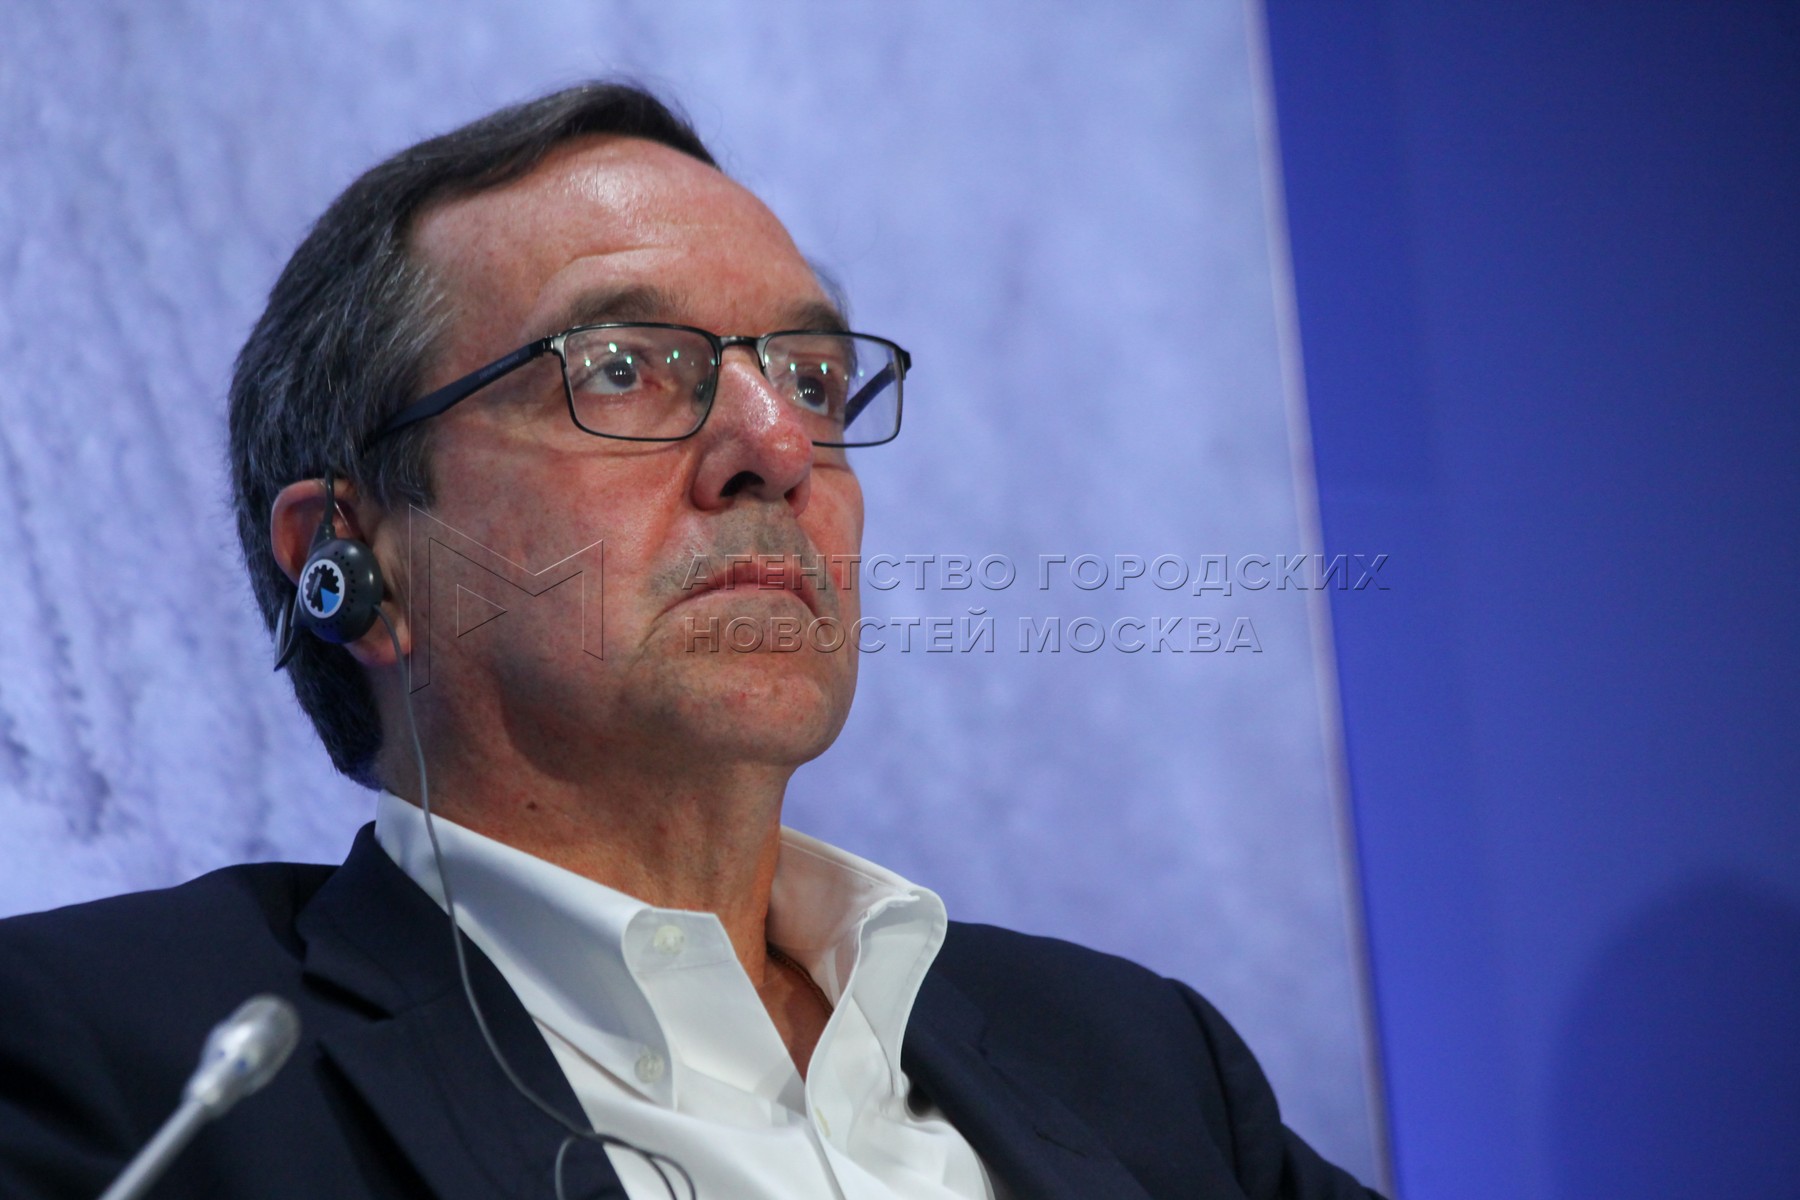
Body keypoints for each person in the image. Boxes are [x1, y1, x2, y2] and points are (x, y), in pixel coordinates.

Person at [0, 82, 1382, 1199]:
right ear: (354, 561)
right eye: (619, 369)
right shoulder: (125, 1063)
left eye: (812, 379)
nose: (777, 447)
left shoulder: (1142, 1066)